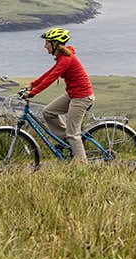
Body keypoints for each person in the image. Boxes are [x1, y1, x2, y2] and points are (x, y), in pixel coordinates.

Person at [24, 27, 95, 163]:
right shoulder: (63, 57)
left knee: (73, 133)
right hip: (73, 95)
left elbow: (51, 78)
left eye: (47, 43)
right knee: (48, 112)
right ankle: (66, 142)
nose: (45, 46)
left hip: (82, 97)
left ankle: (82, 167)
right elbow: (50, 73)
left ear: (55, 43)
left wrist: (33, 93)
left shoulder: (66, 59)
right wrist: (33, 84)